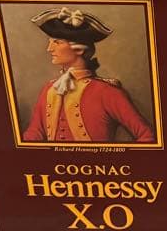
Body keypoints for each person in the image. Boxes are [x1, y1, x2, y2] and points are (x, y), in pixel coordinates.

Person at [22, 7, 155, 144]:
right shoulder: (49, 89)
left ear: (79, 49)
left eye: (57, 42)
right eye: (50, 42)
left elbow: (147, 136)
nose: (49, 48)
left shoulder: (107, 92)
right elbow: (33, 135)